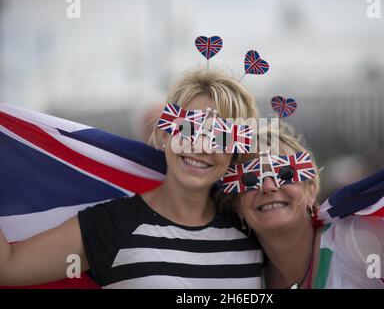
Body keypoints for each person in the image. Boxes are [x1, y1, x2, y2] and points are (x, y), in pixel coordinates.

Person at [0, 68, 264, 288]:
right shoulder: (111, 224)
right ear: (165, 134)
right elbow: (8, 266)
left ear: (236, 152)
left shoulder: (254, 224)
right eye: (189, 129)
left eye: (221, 138)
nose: (203, 146)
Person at [223, 123, 384, 288]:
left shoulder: (356, 240)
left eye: (285, 173)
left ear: (311, 190)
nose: (269, 186)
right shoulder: (243, 277)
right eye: (249, 180)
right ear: (237, 207)